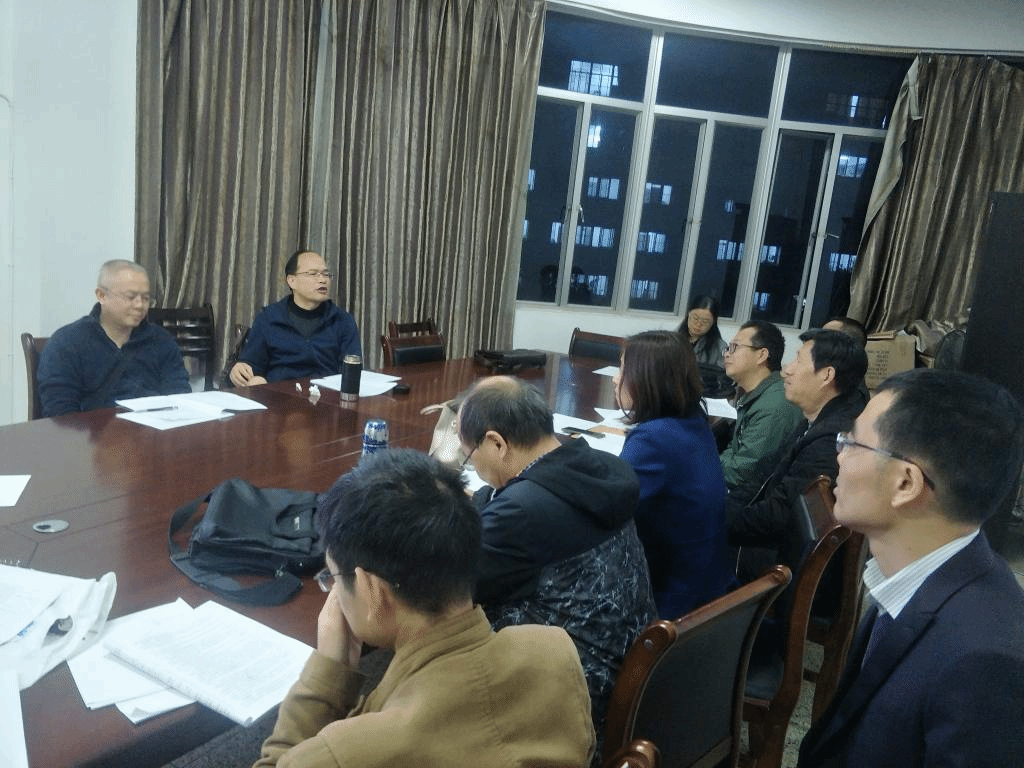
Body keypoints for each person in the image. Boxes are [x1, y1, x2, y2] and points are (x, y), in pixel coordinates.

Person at [255, 448, 596, 768]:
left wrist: (326, 675)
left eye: (333, 577)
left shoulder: (346, 752)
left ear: (372, 590)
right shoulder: (555, 651)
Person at [798, 369, 1024, 767]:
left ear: (906, 483)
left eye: (851, 443)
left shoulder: (983, 661)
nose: (839, 456)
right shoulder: (910, 578)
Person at [457, 377, 655, 757]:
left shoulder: (523, 510)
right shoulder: (598, 466)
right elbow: (495, 500)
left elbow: (446, 580)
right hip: (627, 669)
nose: (473, 465)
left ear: (497, 444)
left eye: (469, 456)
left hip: (574, 701)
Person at [727, 329, 868, 579]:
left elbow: (778, 517)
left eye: (798, 360)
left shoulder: (830, 441)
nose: (786, 371)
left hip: (778, 565)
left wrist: (714, 518)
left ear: (826, 375)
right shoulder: (817, 418)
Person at [612, 330, 734, 619]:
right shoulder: (694, 421)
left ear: (647, 379)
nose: (616, 379)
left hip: (670, 601)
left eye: (622, 369)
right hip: (708, 584)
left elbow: (608, 509)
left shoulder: (653, 438)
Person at [37, 260, 190, 416]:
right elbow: (60, 414)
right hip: (90, 430)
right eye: (131, 297)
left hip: (154, 428)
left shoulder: (161, 340)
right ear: (101, 296)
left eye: (145, 298)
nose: (140, 305)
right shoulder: (67, 343)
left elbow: (179, 397)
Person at [230, 250, 360, 386]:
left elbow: (352, 372)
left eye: (326, 274)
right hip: (278, 394)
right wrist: (238, 371)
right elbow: (251, 366)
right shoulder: (268, 318)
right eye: (313, 274)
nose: (323, 280)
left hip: (327, 395)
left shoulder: (342, 321)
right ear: (292, 281)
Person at [720, 320, 803, 503]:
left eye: (735, 347)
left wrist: (708, 463)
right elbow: (734, 448)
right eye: (728, 348)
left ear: (761, 355)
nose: (726, 354)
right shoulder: (760, 393)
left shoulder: (775, 404)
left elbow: (743, 474)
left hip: (748, 502)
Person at [679, 294, 728, 368]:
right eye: (695, 318)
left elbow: (721, 372)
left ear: (714, 322)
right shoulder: (673, 339)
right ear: (688, 315)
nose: (698, 324)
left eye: (705, 321)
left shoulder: (720, 348)